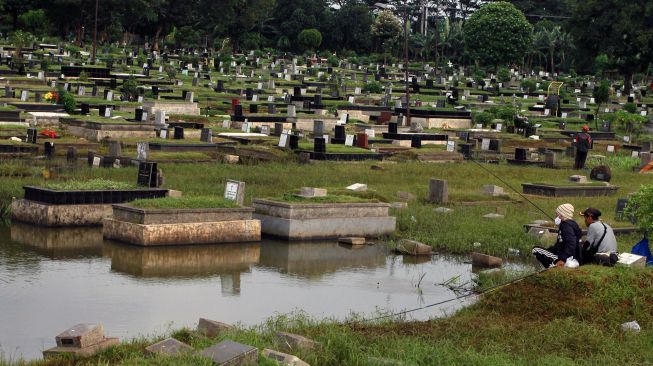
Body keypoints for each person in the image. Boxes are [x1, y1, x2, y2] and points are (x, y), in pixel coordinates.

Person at [532, 204, 583, 268]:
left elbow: (571, 243)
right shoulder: (570, 224)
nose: (555, 216)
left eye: (557, 214)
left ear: (561, 215)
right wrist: (549, 250)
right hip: (570, 258)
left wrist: (563, 259)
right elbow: (559, 245)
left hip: (568, 259)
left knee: (536, 250)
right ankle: (553, 266)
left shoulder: (566, 226)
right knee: (548, 250)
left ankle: (552, 266)